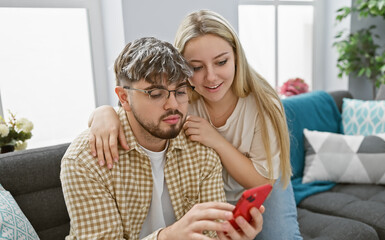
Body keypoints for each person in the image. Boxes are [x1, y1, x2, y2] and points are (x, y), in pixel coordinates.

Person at [89, 10, 302, 239]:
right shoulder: (180, 98)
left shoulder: (263, 105)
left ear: (237, 57)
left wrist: (216, 140)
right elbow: (134, 109)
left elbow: (262, 180)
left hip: (259, 185)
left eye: (221, 62)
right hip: (209, 191)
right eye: (196, 68)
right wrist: (103, 113)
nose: (211, 77)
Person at [61, 37, 264, 240]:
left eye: (180, 91)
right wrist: (167, 237)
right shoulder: (85, 160)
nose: (173, 104)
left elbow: (211, 234)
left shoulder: (202, 150)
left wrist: (230, 238)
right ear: (124, 98)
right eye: (156, 93)